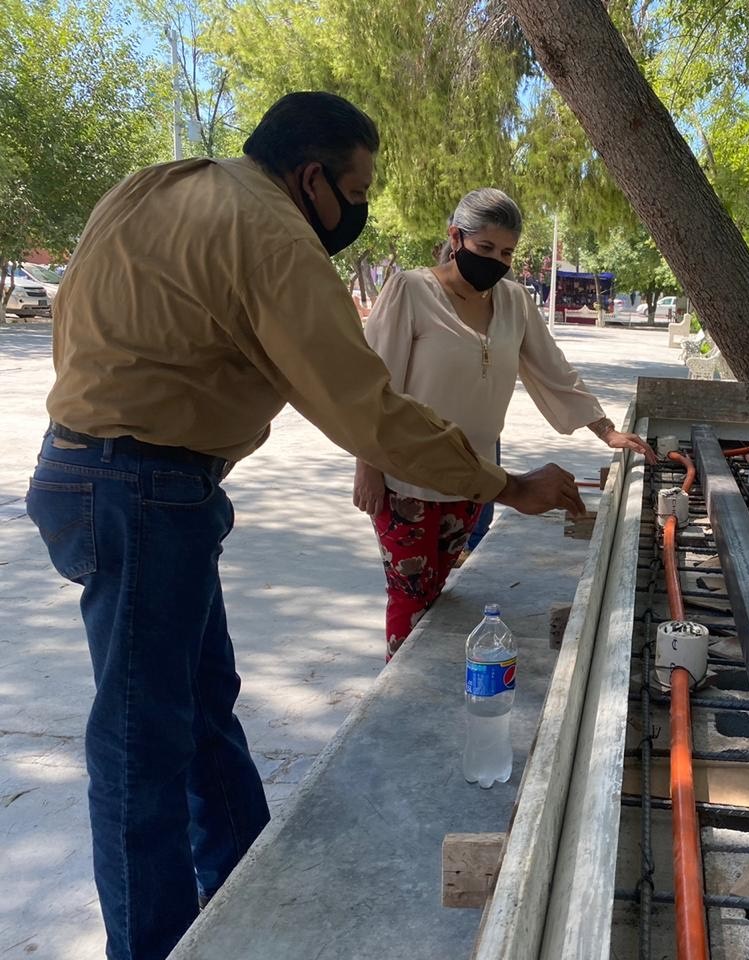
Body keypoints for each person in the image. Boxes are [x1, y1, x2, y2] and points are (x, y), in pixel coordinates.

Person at [25, 93, 583, 960]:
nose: (357, 209)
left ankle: (249, 904)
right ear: (312, 176)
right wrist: (504, 485)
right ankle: (156, 944)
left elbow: (83, 327)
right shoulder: (274, 233)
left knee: (203, 716)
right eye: (355, 188)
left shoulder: (157, 185)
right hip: (142, 488)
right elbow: (365, 407)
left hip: (102, 471)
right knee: (142, 748)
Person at [352, 188, 656, 659]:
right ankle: (396, 696)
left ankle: (435, 681)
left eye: (507, 252)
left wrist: (605, 429)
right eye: (486, 249)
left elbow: (553, 370)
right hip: (404, 478)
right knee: (410, 598)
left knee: (441, 591)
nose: (497, 261)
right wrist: (367, 465)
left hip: (474, 477)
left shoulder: (514, 302)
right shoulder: (411, 291)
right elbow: (374, 384)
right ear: (456, 237)